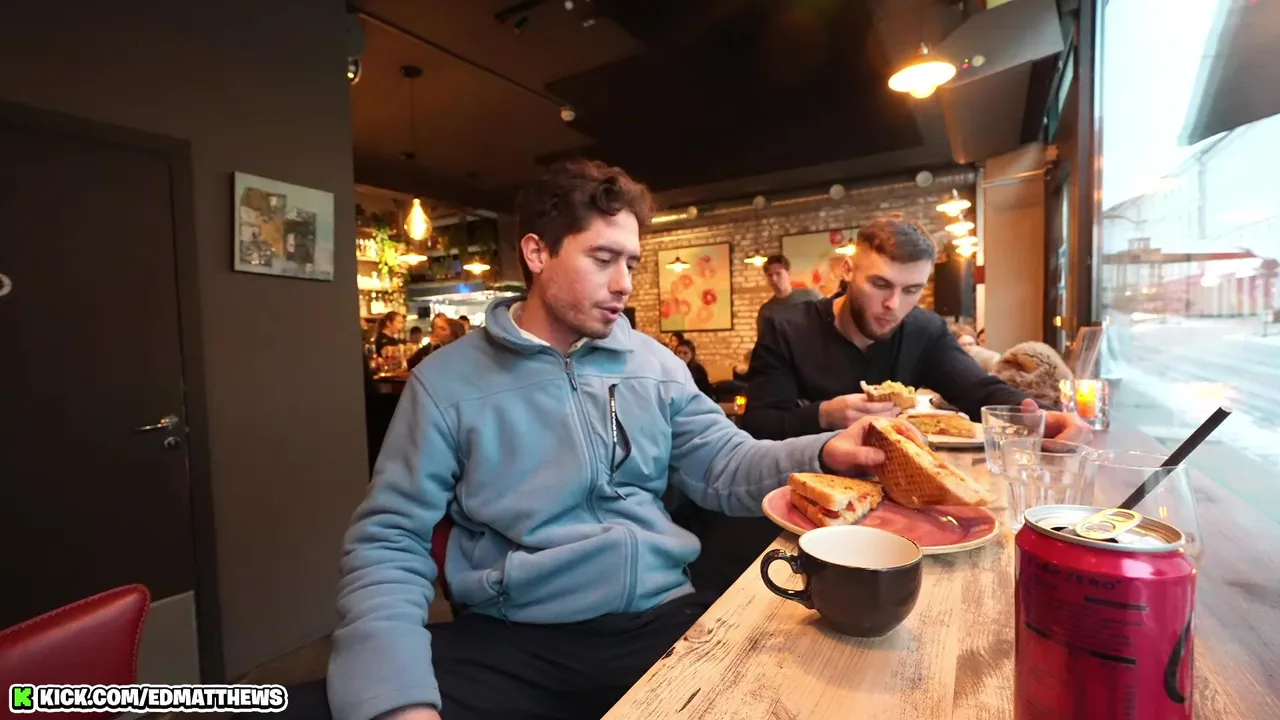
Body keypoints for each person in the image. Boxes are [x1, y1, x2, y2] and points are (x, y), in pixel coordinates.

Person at [304, 159, 910, 720]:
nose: (624, 283)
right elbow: (390, 542)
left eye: (632, 264)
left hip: (660, 620)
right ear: (537, 252)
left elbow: (725, 465)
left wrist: (823, 449)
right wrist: (396, 699)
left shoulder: (655, 364)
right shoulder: (445, 383)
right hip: (515, 639)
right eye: (603, 258)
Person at [742, 215, 1090, 442]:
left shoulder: (924, 330)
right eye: (880, 284)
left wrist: (1045, 418)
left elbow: (979, 391)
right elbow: (758, 426)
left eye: (911, 290)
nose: (894, 304)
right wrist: (823, 415)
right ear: (847, 270)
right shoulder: (787, 328)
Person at [756, 255, 822, 333]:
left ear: (788, 274)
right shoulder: (767, 311)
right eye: (770, 275)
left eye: (778, 273)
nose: (774, 279)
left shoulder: (811, 297)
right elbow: (765, 338)